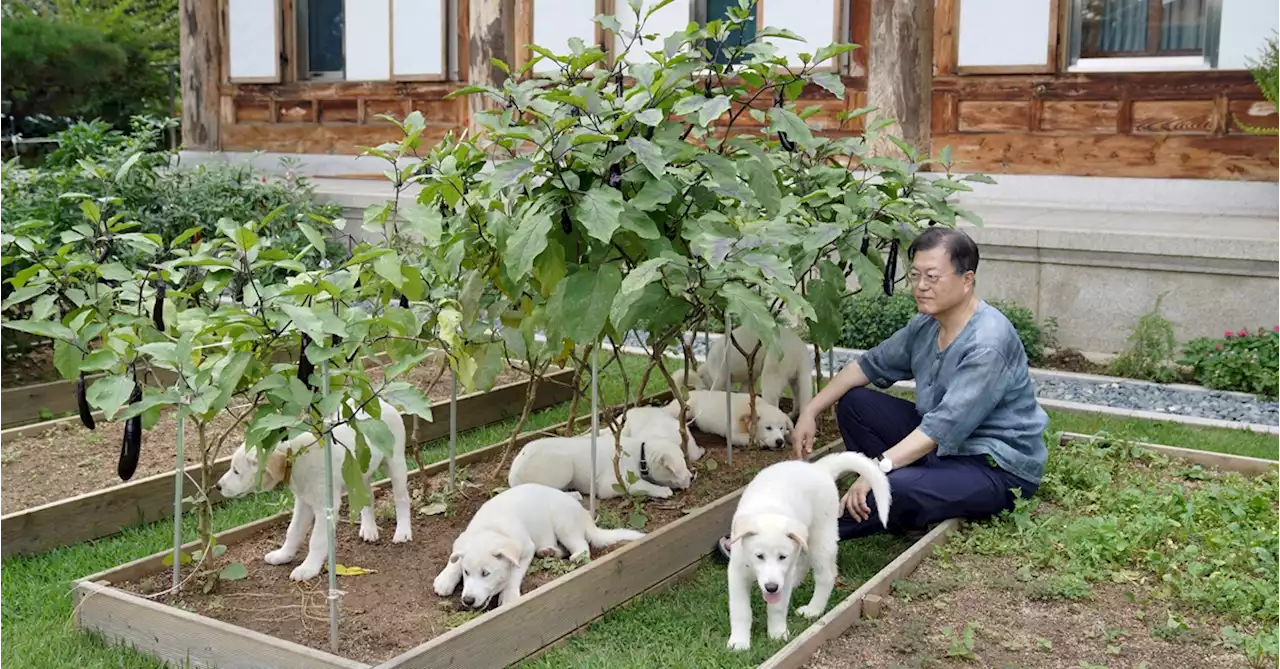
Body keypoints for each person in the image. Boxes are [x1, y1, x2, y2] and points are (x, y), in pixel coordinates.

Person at [715, 227, 1049, 559]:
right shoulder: (927, 324)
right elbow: (866, 367)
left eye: (932, 277)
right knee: (855, 403)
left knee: (893, 487)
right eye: (915, 274)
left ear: (966, 280)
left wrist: (878, 468)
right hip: (945, 451)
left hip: (993, 468)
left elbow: (941, 428)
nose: (920, 286)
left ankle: (780, 538)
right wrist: (810, 411)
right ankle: (914, 500)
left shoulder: (987, 344)